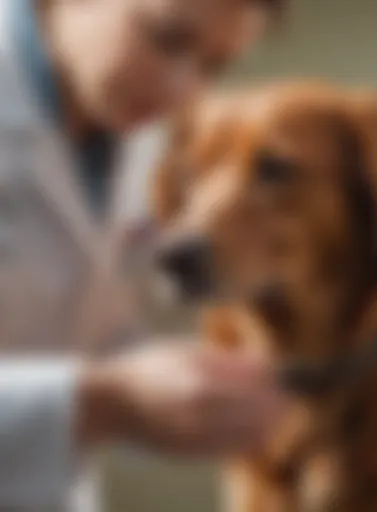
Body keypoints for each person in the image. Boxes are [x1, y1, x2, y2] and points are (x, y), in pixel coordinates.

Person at [0, 0, 287, 510]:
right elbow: (99, 392)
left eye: (215, 66)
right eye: (166, 38)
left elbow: (100, 327)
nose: (185, 92)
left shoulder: (139, 139)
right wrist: (100, 404)